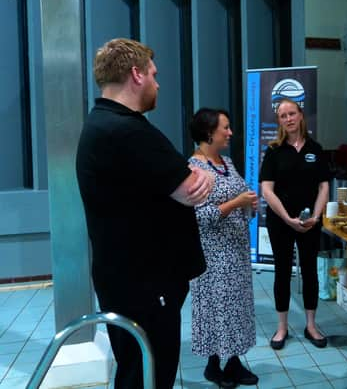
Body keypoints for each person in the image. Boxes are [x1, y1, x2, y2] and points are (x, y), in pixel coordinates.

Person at [76, 38, 213, 388]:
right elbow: (191, 190)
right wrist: (206, 174)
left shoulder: (100, 124)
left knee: (136, 369)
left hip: (125, 280)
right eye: (153, 74)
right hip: (146, 286)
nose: (158, 83)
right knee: (149, 374)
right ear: (136, 75)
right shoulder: (129, 131)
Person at [188, 108, 259, 388]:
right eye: (225, 128)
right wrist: (236, 204)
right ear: (208, 132)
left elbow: (241, 196)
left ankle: (232, 361)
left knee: (237, 309)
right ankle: (215, 365)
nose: (230, 133)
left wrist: (249, 205)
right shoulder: (194, 168)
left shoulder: (226, 162)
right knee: (217, 310)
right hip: (212, 257)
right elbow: (198, 217)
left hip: (236, 253)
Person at [259, 98, 330, 350]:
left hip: (310, 221)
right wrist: (287, 218)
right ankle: (282, 327)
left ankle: (311, 325)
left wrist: (317, 216)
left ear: (301, 115)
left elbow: (324, 186)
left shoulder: (316, 148)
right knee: (282, 272)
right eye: (282, 116)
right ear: (279, 121)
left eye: (292, 113)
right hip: (281, 221)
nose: (288, 119)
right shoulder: (274, 150)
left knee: (310, 270)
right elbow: (266, 190)